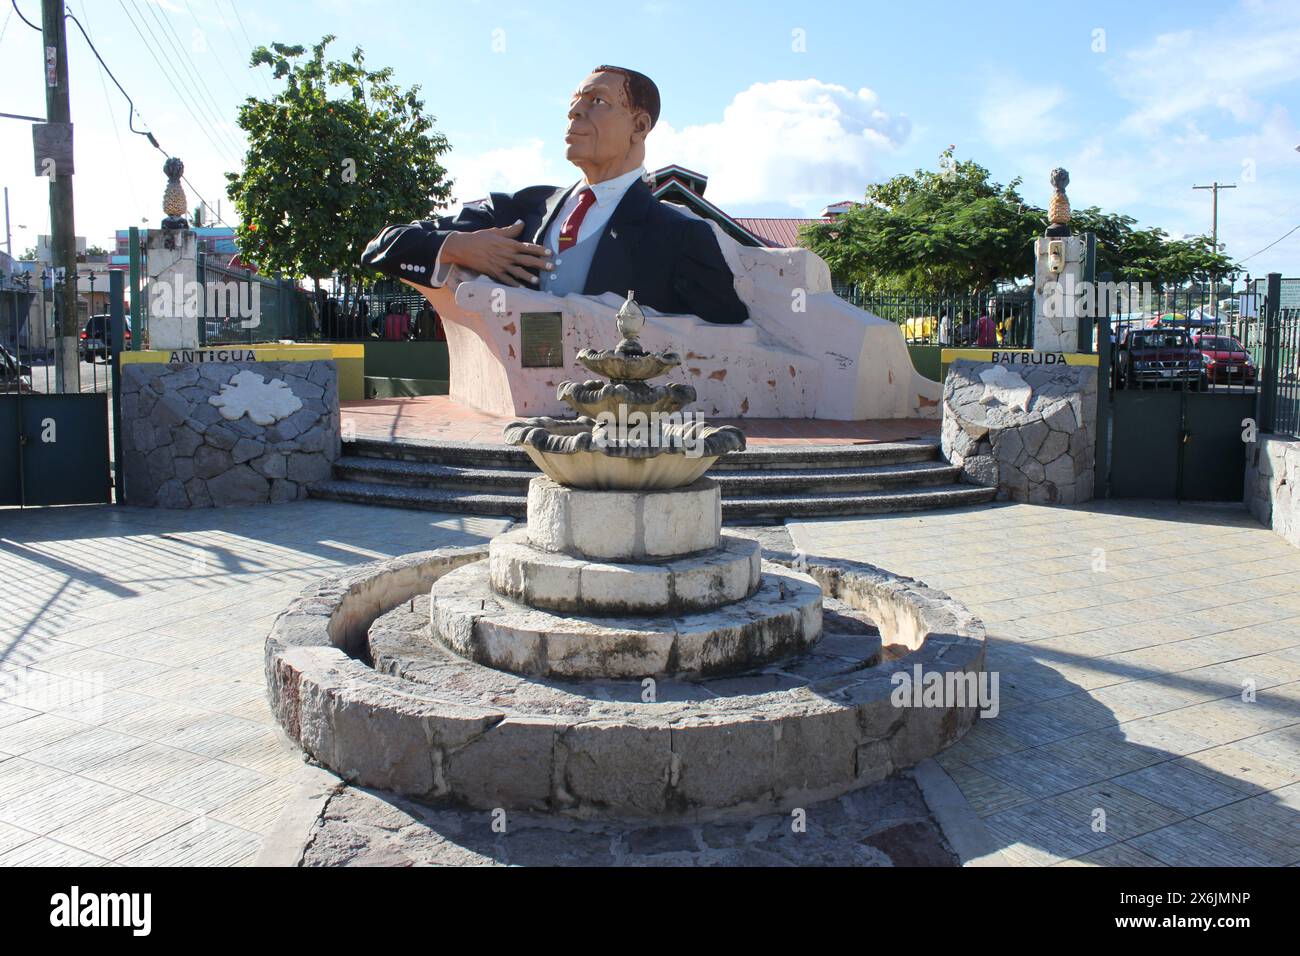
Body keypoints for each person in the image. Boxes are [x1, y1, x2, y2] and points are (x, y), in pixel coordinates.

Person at [360, 66, 748, 325]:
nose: (575, 112)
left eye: (597, 102)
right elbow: (384, 245)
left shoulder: (680, 236)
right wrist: (457, 246)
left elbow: (728, 336)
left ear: (640, 125)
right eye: (575, 102)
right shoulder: (521, 209)